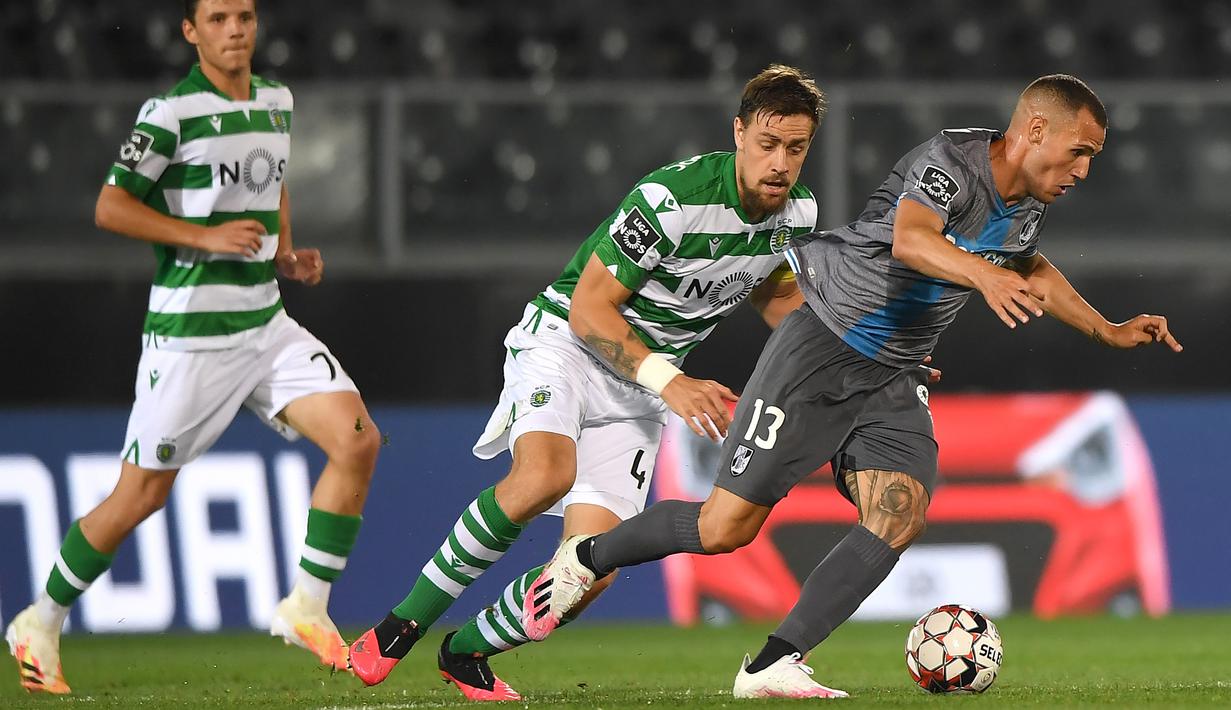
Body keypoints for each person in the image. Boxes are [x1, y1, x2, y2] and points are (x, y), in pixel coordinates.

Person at [522, 74, 1183, 699]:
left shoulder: (1027, 203)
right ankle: (588, 556)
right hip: (822, 345)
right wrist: (983, 276)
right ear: (1035, 130)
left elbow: (1029, 265)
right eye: (1079, 152)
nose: (1082, 171)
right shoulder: (951, 162)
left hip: (893, 371)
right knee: (724, 528)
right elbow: (912, 240)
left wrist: (1106, 329)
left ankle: (774, 662)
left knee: (899, 511)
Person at [347, 65, 829, 700]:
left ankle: (466, 651)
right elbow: (589, 310)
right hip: (568, 346)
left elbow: (779, 299)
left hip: (639, 388)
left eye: (796, 148)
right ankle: (398, 626)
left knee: (591, 568)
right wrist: (672, 382)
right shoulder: (671, 200)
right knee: (543, 475)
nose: (781, 163)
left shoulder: (798, 214)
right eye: (768, 143)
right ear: (738, 133)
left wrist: (853, 355)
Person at [4, 0, 382, 694]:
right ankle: (40, 620)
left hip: (264, 323)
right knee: (140, 496)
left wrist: (284, 252)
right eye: (217, 19)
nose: (234, 29)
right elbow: (111, 205)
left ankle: (306, 606)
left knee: (357, 439)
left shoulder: (276, 101)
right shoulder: (170, 114)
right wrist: (205, 236)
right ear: (191, 32)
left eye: (244, 16)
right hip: (191, 336)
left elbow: (272, 181)